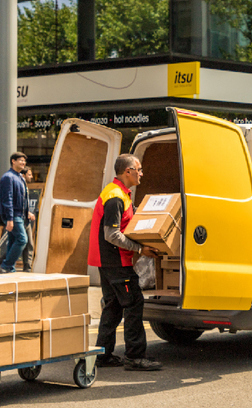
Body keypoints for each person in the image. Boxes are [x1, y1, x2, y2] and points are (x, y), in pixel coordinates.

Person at [89, 154, 162, 371]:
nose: (141, 173)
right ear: (127, 171)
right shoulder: (115, 197)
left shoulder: (121, 193)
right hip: (115, 261)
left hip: (107, 260)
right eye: (138, 169)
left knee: (112, 307)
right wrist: (141, 249)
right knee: (133, 302)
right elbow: (112, 235)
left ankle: (102, 354)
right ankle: (135, 357)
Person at [0, 152, 35, 273]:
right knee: (22, 239)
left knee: (12, 242)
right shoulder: (8, 177)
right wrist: (10, 219)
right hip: (14, 216)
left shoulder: (19, 177)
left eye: (24, 161)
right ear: (13, 161)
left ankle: (8, 268)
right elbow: (8, 199)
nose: (23, 163)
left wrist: (27, 213)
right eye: (20, 160)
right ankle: (6, 265)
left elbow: (23, 199)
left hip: (21, 216)